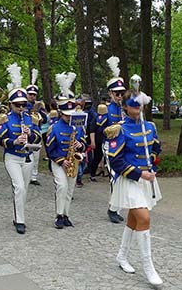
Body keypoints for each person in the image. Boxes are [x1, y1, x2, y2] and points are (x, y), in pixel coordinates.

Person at [107, 90, 163, 287]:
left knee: (133, 218)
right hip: (130, 180)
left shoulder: (149, 126)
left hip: (147, 179)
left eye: (139, 104)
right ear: (125, 106)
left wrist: (153, 167)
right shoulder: (119, 129)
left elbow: (156, 149)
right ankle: (149, 267)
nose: (136, 108)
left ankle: (122, 256)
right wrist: (140, 174)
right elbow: (116, 161)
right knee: (144, 218)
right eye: (132, 105)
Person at [0, 75, 42, 234]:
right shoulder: (5, 119)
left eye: (23, 105)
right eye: (17, 105)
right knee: (19, 187)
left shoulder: (30, 118)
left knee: (25, 189)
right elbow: (1, 139)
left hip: (28, 157)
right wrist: (14, 141)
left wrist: (29, 134)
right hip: (12, 157)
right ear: (10, 105)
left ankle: (18, 216)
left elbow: (38, 137)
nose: (21, 108)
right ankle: (20, 221)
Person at [46, 82, 87, 229]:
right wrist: (61, 161)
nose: (70, 118)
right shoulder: (54, 128)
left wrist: (80, 146)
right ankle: (58, 215)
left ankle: (66, 215)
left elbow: (84, 143)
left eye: (71, 115)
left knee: (70, 189)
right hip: (59, 162)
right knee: (62, 187)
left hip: (73, 162)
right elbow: (50, 149)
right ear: (61, 113)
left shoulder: (78, 127)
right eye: (66, 115)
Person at [93, 57, 127, 223]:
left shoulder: (124, 109)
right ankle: (112, 209)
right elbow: (99, 130)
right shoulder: (105, 109)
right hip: (110, 146)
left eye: (122, 93)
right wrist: (111, 130)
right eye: (117, 93)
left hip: (124, 146)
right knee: (115, 177)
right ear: (110, 93)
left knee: (122, 177)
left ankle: (116, 208)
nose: (120, 96)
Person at [25, 69, 47, 186]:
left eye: (34, 94)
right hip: (26, 131)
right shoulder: (23, 104)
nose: (32, 96)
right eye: (30, 94)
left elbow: (45, 118)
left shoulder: (39, 105)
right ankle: (26, 175)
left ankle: (34, 176)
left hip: (36, 131)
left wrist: (38, 115)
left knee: (36, 155)